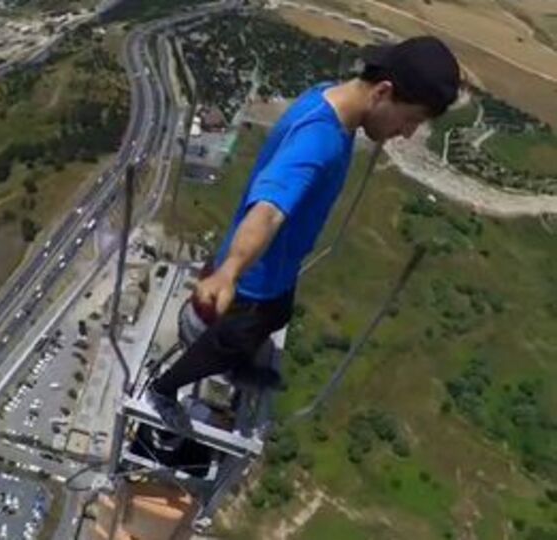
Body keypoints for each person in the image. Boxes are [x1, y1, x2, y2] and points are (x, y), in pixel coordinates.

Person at [147, 36, 461, 432]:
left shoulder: (328, 98)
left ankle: (234, 362)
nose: (407, 132)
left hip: (278, 267)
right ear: (383, 92)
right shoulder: (319, 140)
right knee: (232, 340)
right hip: (254, 277)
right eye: (410, 119)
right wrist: (230, 272)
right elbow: (269, 211)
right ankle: (163, 389)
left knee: (278, 314)